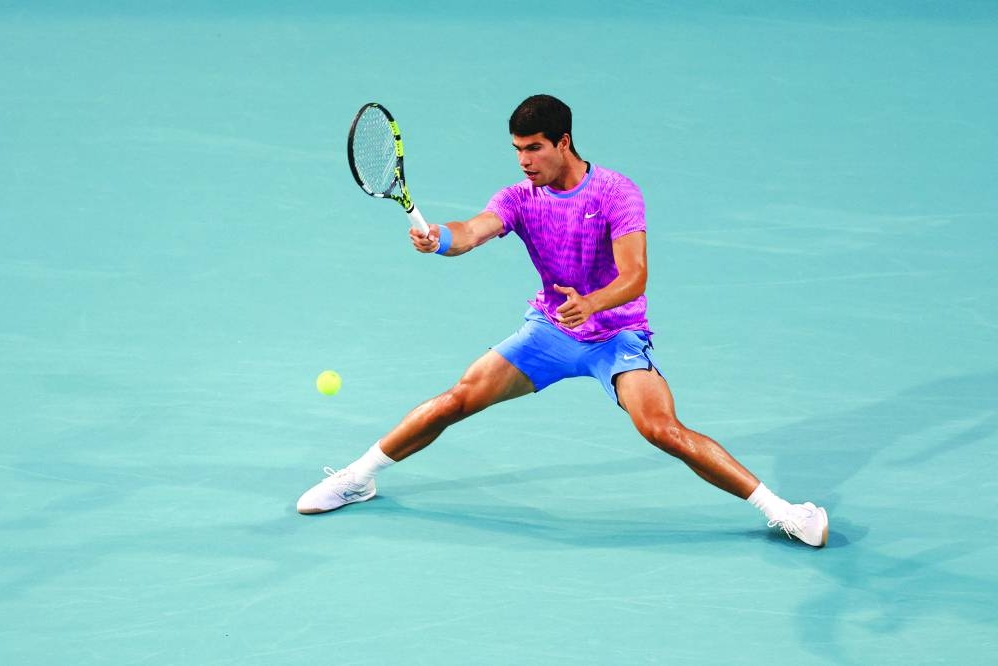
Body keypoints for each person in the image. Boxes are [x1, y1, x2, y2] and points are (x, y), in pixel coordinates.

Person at [297, 94, 829, 547]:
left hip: (614, 337)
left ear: (563, 143)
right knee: (458, 398)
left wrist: (593, 304)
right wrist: (439, 239)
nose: (524, 161)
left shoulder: (616, 193)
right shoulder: (519, 197)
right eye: (517, 150)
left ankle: (783, 510)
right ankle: (357, 479)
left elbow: (635, 275)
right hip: (550, 331)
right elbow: (475, 230)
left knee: (661, 429)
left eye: (534, 149)